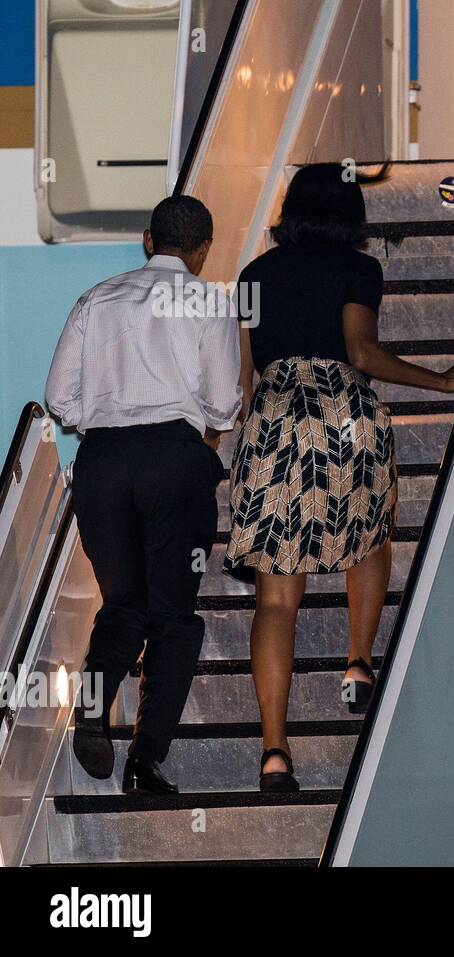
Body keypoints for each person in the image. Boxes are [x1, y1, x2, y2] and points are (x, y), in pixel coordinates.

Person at [224, 163, 454, 792]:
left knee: (276, 600)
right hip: (342, 413)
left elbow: (241, 378)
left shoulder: (255, 275)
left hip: (273, 422)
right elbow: (362, 354)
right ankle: (358, 662)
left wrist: (236, 445)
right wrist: (445, 380)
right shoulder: (358, 269)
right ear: (350, 215)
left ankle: (274, 752)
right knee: (369, 534)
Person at [45, 195, 241, 794]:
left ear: (148, 241)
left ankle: (92, 705)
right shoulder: (210, 302)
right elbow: (225, 405)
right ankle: (145, 761)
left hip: (102, 464)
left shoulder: (94, 300)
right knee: (174, 619)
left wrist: (107, 415)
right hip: (172, 462)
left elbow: (60, 401)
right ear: (203, 250)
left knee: (124, 601)